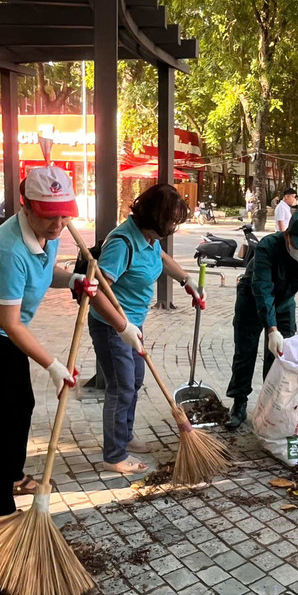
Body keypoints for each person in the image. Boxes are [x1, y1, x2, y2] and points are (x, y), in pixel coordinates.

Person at [0, 166, 113, 518]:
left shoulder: (48, 236)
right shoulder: (7, 251)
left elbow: (45, 271)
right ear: (26, 205)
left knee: (21, 406)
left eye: (65, 214)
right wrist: (53, 366)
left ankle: (15, 476)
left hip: (4, 333)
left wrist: (75, 280)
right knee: (0, 420)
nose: (58, 224)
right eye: (49, 215)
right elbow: (9, 321)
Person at [88, 184, 202, 474]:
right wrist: (122, 326)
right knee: (122, 385)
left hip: (133, 323)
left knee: (135, 380)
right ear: (155, 216)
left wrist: (186, 280)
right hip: (111, 326)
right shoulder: (122, 243)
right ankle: (113, 455)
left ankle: (124, 434)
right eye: (171, 220)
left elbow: (161, 258)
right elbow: (98, 293)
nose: (174, 226)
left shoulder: (148, 239)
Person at [225, 211, 298, 429]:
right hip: (252, 298)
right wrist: (271, 328)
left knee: (281, 355)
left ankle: (271, 405)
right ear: (287, 235)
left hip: (285, 303)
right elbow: (262, 287)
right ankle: (239, 402)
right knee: (245, 351)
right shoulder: (269, 246)